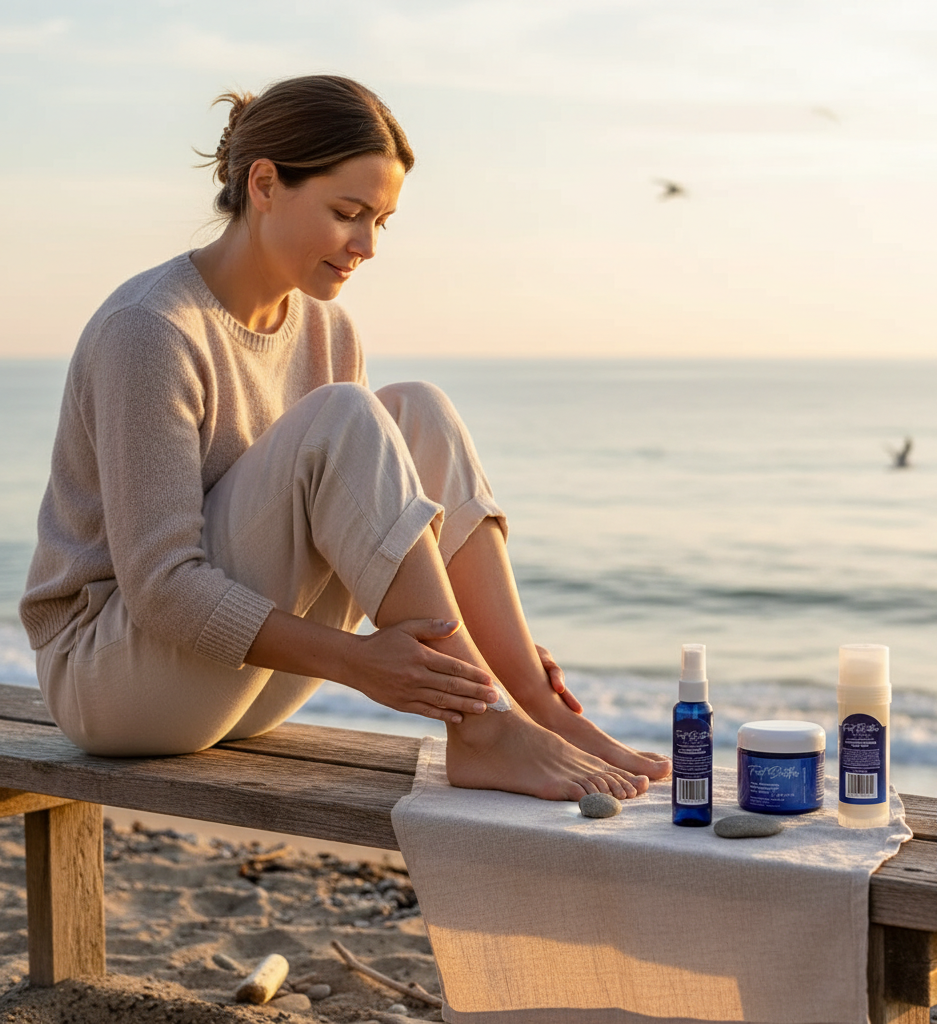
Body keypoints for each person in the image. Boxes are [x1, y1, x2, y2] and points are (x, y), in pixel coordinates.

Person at [19, 75, 670, 802]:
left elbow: (369, 531)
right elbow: (162, 588)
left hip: (249, 681)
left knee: (418, 410)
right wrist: (361, 662)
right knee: (347, 417)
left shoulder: (329, 332)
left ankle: (529, 707)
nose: (365, 245)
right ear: (264, 184)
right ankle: (483, 727)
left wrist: (483, 650)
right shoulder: (152, 330)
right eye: (347, 213)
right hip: (116, 683)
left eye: (380, 222)